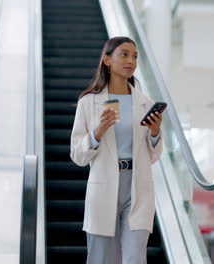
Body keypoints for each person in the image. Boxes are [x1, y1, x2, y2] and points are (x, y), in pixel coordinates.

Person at [70, 36, 164, 264]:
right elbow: (78, 155)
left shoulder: (145, 102)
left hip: (138, 186)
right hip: (104, 184)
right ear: (107, 60)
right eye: (124, 54)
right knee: (102, 258)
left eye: (134, 56)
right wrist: (97, 132)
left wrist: (155, 133)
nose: (131, 60)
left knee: (134, 257)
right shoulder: (88, 103)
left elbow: (154, 155)